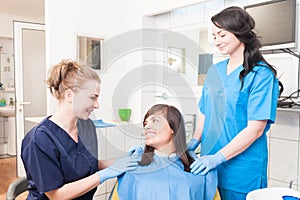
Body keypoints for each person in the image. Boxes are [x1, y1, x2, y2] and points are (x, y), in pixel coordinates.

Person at [187, 6, 279, 200]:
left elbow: (255, 130)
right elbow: (205, 112)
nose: (216, 41)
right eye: (213, 36)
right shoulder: (214, 71)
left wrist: (219, 158)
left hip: (242, 170)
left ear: (240, 33)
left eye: (221, 35)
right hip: (208, 166)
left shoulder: (261, 75)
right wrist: (194, 141)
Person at [21, 60, 138, 199]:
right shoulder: (39, 140)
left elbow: (89, 163)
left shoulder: (87, 126)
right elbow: (57, 196)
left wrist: (124, 161)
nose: (97, 105)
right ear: (70, 95)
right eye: (92, 98)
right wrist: (103, 175)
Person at [112, 104, 218, 200]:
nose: (147, 126)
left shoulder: (199, 169)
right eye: (145, 123)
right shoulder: (132, 167)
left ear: (173, 128)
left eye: (155, 121)